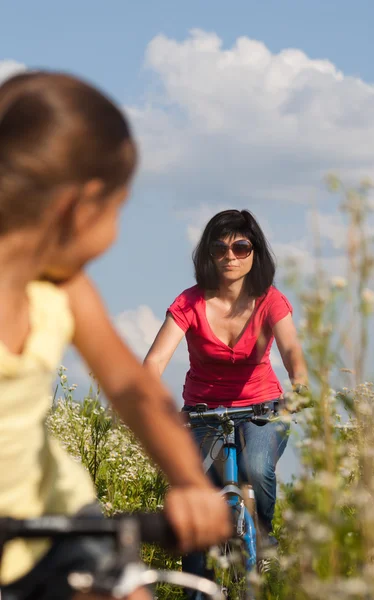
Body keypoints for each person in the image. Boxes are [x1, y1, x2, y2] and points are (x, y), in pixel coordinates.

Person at [0, 71, 231, 600]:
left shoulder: (62, 287)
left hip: (58, 524)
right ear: (77, 208)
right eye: (118, 209)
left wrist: (192, 483)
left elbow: (133, 388)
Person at [144, 209, 308, 582]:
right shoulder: (189, 303)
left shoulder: (270, 301)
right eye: (220, 248)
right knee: (197, 501)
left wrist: (300, 388)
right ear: (208, 254)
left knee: (255, 468)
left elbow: (293, 356)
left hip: (262, 408)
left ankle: (265, 542)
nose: (230, 256)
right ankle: (197, 588)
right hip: (201, 412)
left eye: (241, 246)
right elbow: (154, 362)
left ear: (255, 253)